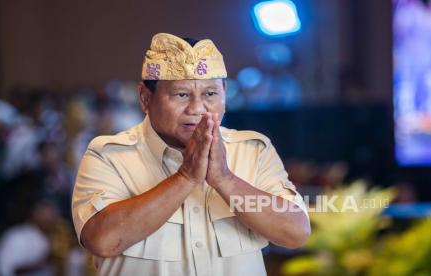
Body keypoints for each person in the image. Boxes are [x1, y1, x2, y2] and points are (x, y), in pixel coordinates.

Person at [72, 33, 310, 276]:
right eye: (181, 95)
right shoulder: (109, 155)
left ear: (224, 94)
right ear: (145, 98)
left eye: (210, 94)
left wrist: (226, 180)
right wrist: (185, 177)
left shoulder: (253, 151)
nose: (197, 109)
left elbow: (295, 233)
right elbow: (101, 240)